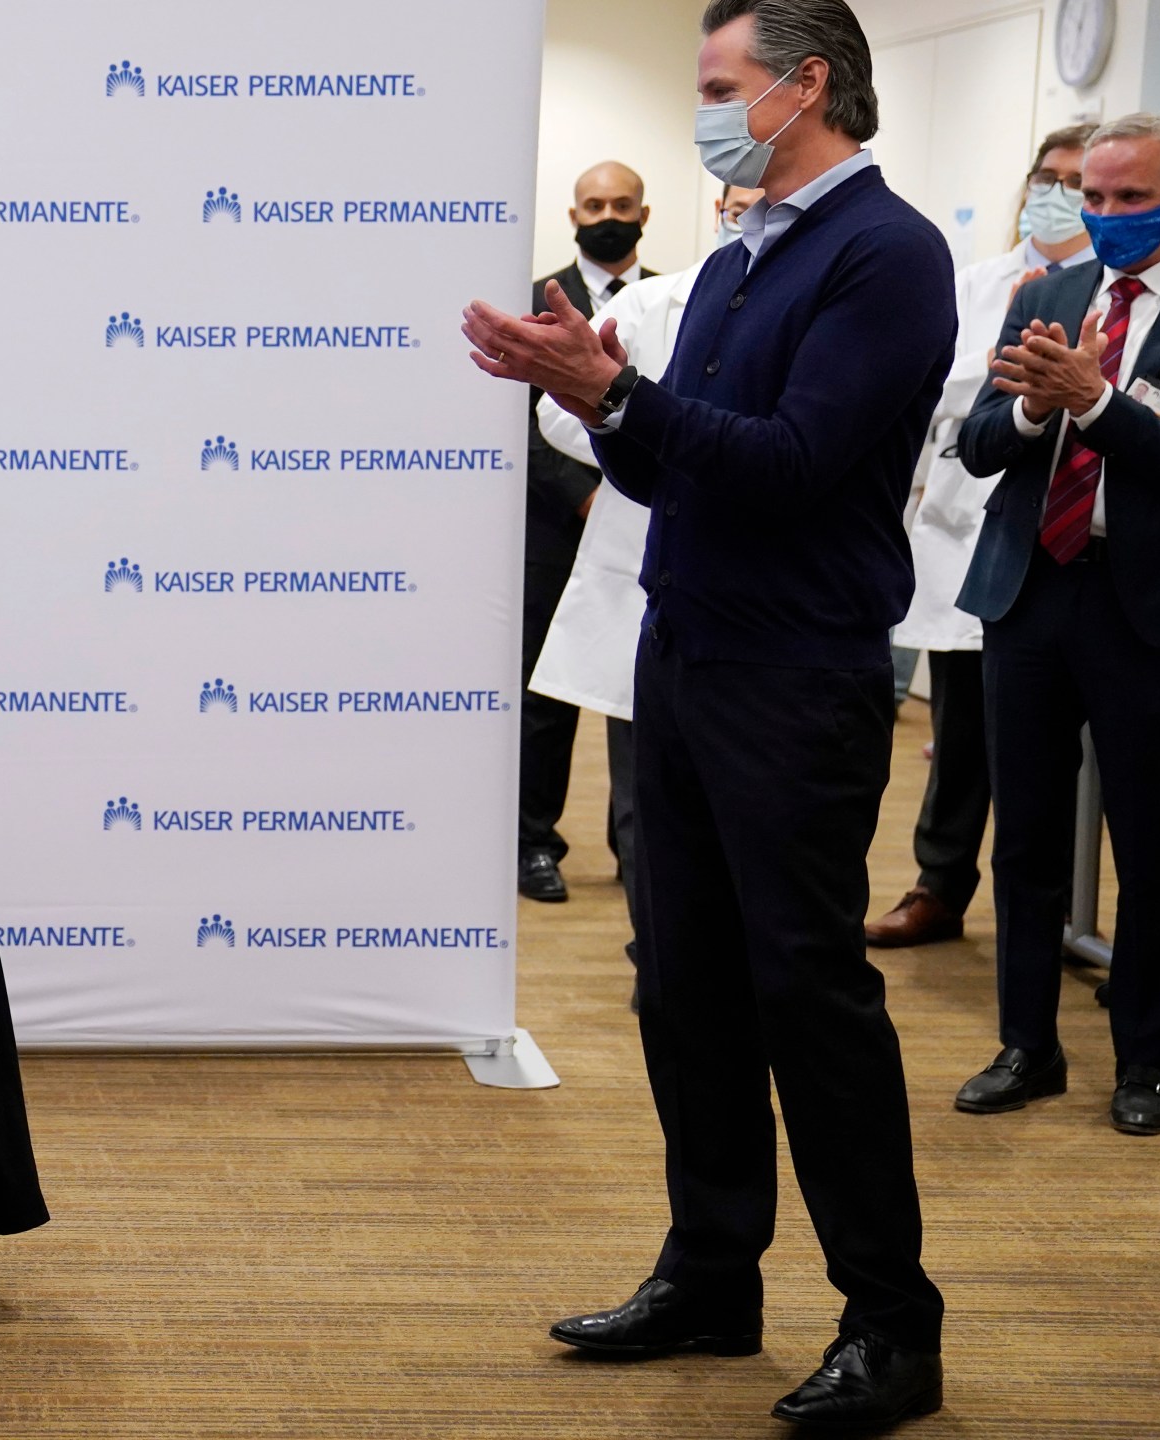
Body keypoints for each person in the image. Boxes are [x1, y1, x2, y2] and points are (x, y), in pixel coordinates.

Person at [464, 0, 952, 1427]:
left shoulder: (886, 253)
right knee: (682, 983)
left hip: (795, 675)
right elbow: (688, 473)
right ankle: (714, 1271)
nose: (709, 111)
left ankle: (892, 1325)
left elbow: (795, 465)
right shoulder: (750, 254)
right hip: (679, 658)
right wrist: (604, 402)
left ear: (808, 88)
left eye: (722, 84)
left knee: (808, 993)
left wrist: (616, 391)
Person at [950, 113, 1160, 1134]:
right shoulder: (1048, 294)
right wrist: (1035, 411)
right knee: (1023, 837)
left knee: (1146, 841)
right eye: (1095, 198)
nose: (1106, 215)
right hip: (1030, 590)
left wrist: (1095, 402)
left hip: (1143, 605)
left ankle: (1140, 1064)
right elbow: (979, 444)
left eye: (1129, 198)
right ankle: (1026, 1048)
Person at [869, 125, 1098, 949]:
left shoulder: (1117, 289)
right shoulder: (978, 282)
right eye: (1048, 176)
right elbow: (933, 383)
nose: (1059, 192)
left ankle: (1058, 906)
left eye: (1079, 180)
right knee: (962, 727)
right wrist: (1010, 354)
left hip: (1070, 529)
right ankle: (940, 885)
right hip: (970, 526)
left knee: (1056, 738)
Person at [531, 182, 761, 966]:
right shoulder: (659, 302)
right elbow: (560, 410)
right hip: (654, 573)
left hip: (772, 603)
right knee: (647, 793)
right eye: (742, 194)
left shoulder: (845, 290)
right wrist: (638, 429)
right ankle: (658, 951)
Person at [520, 160, 658, 904]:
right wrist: (583, 496)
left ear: (644, 213)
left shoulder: (679, 296)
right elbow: (524, 424)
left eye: (622, 203)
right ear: (573, 215)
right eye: (594, 204)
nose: (608, 214)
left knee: (638, 696)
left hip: (645, 533)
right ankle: (535, 842)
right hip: (556, 530)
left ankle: (634, 849)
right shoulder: (540, 299)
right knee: (546, 698)